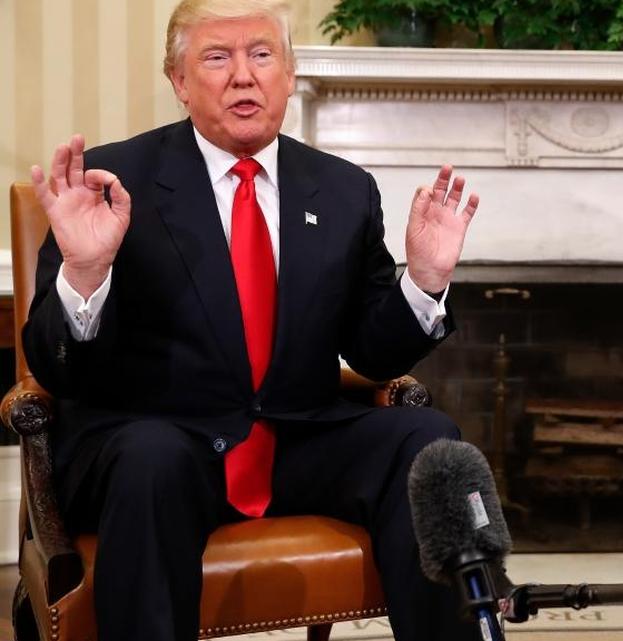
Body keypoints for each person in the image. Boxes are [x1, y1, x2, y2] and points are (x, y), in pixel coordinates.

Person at [23, 1, 483, 639]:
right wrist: (85, 272)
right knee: (151, 458)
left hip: (297, 441)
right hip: (160, 450)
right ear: (179, 81)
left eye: (262, 54)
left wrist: (424, 280)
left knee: (429, 438)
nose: (244, 75)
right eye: (218, 57)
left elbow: (373, 354)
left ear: (289, 73)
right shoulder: (110, 183)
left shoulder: (344, 188)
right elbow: (56, 368)